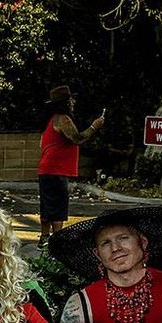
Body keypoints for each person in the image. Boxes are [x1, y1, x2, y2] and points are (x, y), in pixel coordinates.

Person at [38, 85, 106, 246]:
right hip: (56, 169)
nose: (73, 102)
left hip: (47, 169)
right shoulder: (63, 119)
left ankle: (45, 238)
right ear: (65, 103)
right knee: (58, 207)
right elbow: (77, 138)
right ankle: (57, 242)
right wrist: (94, 126)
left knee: (47, 205)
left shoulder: (51, 120)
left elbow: (42, 144)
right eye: (71, 100)